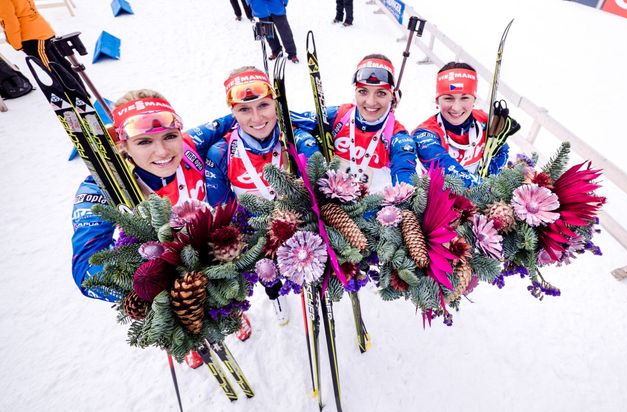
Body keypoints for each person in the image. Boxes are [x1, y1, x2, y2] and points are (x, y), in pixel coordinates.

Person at [70, 90, 251, 347]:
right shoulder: (100, 188)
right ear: (123, 146)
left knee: (228, 299)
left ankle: (233, 314)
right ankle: (187, 343)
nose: (163, 151)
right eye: (144, 142)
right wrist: (148, 285)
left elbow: (235, 117)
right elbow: (85, 272)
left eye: (169, 136)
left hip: (207, 257)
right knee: (184, 330)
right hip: (165, 282)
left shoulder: (190, 146)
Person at [190, 67, 319, 325]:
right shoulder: (221, 152)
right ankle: (275, 295)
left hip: (296, 225)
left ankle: (308, 289)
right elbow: (221, 210)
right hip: (251, 231)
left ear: (276, 104)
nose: (257, 118)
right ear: (233, 113)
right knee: (266, 270)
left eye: (264, 105)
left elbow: (317, 192)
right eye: (244, 109)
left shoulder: (297, 139)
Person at [295, 53, 417, 194]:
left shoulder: (397, 136)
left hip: (374, 211)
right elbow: (291, 120)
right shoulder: (340, 116)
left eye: (381, 93)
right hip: (330, 205)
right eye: (363, 91)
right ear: (355, 92)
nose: (371, 102)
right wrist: (310, 149)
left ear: (393, 96)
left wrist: (405, 193)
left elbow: (405, 172)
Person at [412, 62, 510, 187]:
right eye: (448, 98)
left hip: (480, 201)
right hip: (439, 201)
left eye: (465, 98)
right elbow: (447, 170)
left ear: (474, 99)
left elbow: (502, 150)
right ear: (437, 100)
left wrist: (493, 177)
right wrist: (486, 188)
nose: (456, 108)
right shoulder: (424, 134)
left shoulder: (485, 121)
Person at [0, 0, 82, 87]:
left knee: (53, 69)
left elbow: (10, 22)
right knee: (62, 64)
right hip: (43, 31)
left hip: (31, 37)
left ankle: (75, 95)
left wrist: (16, 44)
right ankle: (81, 92)